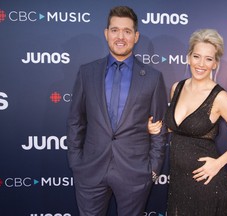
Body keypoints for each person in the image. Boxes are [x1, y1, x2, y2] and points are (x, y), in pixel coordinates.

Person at [66, 6, 167, 216]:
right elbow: (76, 121)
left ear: (136, 36)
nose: (120, 37)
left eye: (127, 31)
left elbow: (159, 127)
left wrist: (153, 169)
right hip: (90, 170)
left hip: (134, 172)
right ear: (106, 33)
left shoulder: (152, 77)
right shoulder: (87, 73)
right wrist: (77, 162)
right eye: (114, 30)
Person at [148, 29, 227, 215]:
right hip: (179, 183)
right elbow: (176, 128)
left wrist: (218, 163)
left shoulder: (219, 97)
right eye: (197, 56)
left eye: (208, 59)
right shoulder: (176, 88)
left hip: (207, 185)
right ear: (188, 57)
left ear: (215, 64)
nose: (201, 64)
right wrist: (156, 128)